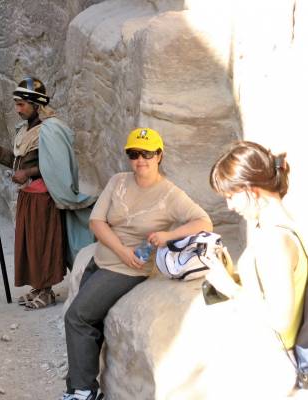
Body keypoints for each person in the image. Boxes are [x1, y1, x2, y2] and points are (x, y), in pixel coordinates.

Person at [62, 128, 212, 400]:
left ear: (159, 156)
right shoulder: (118, 181)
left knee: (77, 316)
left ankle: (83, 391)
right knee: (89, 320)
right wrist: (121, 250)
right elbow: (96, 222)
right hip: (104, 259)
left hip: (128, 269)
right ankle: (79, 386)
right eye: (133, 154)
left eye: (147, 153)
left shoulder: (170, 194)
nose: (140, 160)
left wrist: (168, 235)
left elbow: (203, 222)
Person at [0, 77, 96, 310]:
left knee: (42, 244)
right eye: (16, 104)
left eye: (21, 104)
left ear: (35, 104)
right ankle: (38, 288)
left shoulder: (52, 129)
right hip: (29, 196)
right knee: (30, 244)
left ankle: (47, 291)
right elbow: (17, 162)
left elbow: (57, 166)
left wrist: (28, 172)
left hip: (45, 198)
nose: (17, 109)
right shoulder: (25, 130)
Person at [206, 141, 307, 392]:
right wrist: (236, 276)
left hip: (273, 364)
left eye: (231, 196)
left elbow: (280, 319)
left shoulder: (275, 241)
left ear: (251, 189)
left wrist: (231, 288)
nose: (230, 206)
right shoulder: (285, 227)